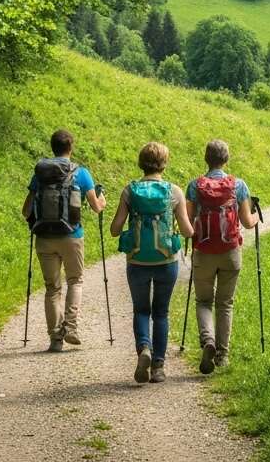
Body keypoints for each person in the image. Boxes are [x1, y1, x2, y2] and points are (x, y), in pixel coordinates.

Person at [110, 141, 192, 384]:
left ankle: (143, 349)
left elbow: (115, 230)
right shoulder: (174, 191)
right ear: (164, 164)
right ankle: (158, 367)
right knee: (161, 312)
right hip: (166, 260)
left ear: (140, 163)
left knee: (141, 310)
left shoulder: (130, 191)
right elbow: (187, 231)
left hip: (136, 260)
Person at [23, 129, 105, 353]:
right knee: (75, 281)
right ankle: (71, 327)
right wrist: (102, 200)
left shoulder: (39, 175)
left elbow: (26, 210)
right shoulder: (81, 173)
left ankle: (55, 339)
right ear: (71, 147)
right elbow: (96, 207)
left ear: (53, 147)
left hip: (44, 238)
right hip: (72, 236)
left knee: (52, 289)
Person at [186, 139, 259, 374]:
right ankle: (222, 354)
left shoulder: (194, 186)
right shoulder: (239, 185)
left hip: (204, 251)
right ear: (226, 159)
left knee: (204, 301)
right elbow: (248, 223)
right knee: (225, 303)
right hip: (230, 252)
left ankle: (207, 341)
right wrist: (256, 215)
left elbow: (187, 223)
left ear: (206, 159)